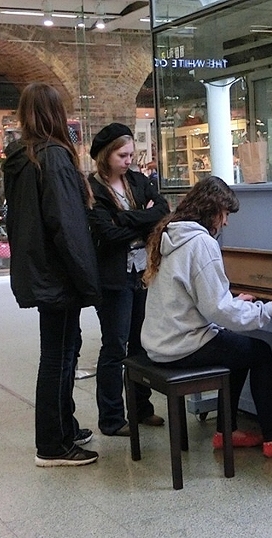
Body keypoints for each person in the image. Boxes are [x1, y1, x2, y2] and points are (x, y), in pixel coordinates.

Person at [141, 176, 272, 458]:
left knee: (236, 348)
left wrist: (232, 302)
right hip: (181, 345)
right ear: (212, 210)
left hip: (161, 341)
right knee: (260, 352)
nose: (226, 222)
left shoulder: (171, 234)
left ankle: (226, 431)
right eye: (225, 213)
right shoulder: (201, 243)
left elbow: (199, 299)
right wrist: (266, 309)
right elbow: (218, 310)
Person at [3, 82, 101, 467]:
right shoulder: (54, 157)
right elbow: (67, 226)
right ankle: (53, 444)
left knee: (63, 350)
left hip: (40, 271)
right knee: (59, 357)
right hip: (58, 276)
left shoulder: (21, 159)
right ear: (57, 114)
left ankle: (64, 425)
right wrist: (88, 281)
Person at [87, 123, 170, 436]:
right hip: (112, 278)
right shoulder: (93, 189)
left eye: (132, 154)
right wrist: (143, 222)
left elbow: (162, 211)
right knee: (115, 345)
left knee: (140, 343)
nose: (129, 160)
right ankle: (111, 418)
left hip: (141, 273)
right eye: (123, 155)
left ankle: (141, 407)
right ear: (107, 155)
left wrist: (124, 218)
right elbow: (106, 234)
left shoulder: (137, 179)